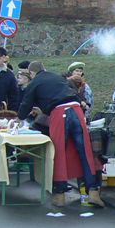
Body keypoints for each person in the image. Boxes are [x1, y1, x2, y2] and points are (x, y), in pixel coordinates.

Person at [17, 61, 104, 208]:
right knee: (85, 152)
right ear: (44, 69)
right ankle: (93, 192)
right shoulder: (57, 77)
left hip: (59, 113)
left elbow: (26, 104)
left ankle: (59, 195)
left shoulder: (34, 83)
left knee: (58, 153)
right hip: (76, 111)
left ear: (32, 73)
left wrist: (19, 119)